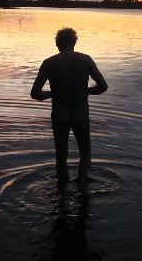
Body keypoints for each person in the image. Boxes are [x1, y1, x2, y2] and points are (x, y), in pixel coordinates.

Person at [30, 27, 108, 184]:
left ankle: (62, 191)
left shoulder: (49, 63)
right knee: (85, 153)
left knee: (61, 156)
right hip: (80, 113)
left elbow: (35, 93)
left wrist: (54, 93)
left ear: (57, 44)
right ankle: (82, 186)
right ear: (74, 42)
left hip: (60, 113)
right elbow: (103, 86)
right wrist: (86, 91)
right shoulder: (86, 60)